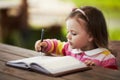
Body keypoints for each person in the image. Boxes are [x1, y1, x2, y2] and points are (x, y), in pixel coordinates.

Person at [35, 6, 118, 69]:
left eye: (73, 33)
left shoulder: (105, 58)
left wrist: (97, 69)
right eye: (68, 32)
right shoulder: (70, 49)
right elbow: (56, 45)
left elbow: (111, 76)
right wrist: (45, 44)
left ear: (90, 36)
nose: (68, 36)